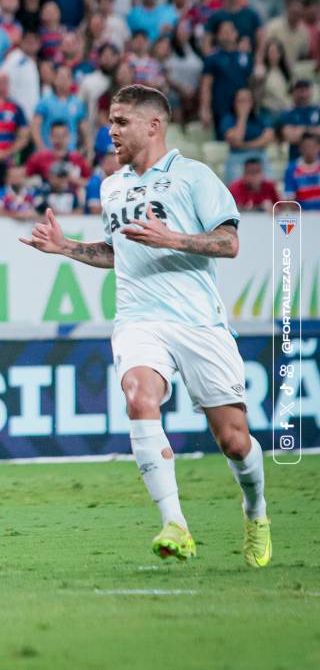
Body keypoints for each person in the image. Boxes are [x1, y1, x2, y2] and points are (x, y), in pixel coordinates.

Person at [20, 84, 271, 568]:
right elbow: (119, 252)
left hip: (198, 322)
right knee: (138, 396)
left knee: (234, 441)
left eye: (121, 122)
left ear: (153, 125)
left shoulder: (193, 176)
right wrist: (66, 248)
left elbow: (229, 243)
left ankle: (255, 510)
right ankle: (175, 524)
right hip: (138, 318)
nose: (111, 131)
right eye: (109, 122)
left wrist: (171, 238)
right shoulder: (111, 186)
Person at [283, 133, 320, 211]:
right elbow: (290, 198)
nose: (309, 150)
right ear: (300, 148)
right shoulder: (291, 169)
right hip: (302, 214)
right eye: (306, 147)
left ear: (318, 147)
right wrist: (301, 214)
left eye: (312, 146)